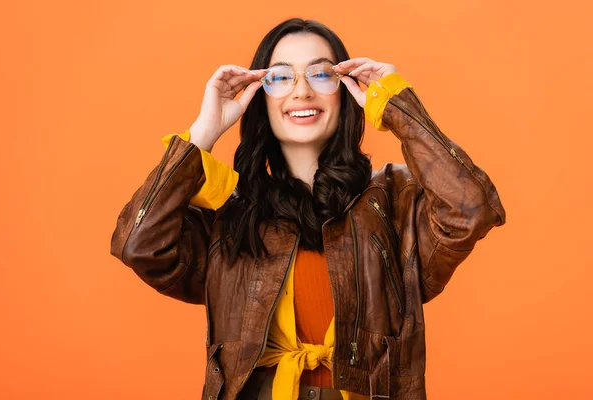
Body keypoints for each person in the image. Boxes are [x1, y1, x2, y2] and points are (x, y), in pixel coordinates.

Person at [110, 17, 506, 400]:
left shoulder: (395, 199)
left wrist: (399, 109)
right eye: (281, 77)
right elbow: (138, 245)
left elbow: (470, 208)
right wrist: (203, 132)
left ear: (347, 91)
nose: (301, 92)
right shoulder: (229, 210)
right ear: (259, 97)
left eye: (320, 74)